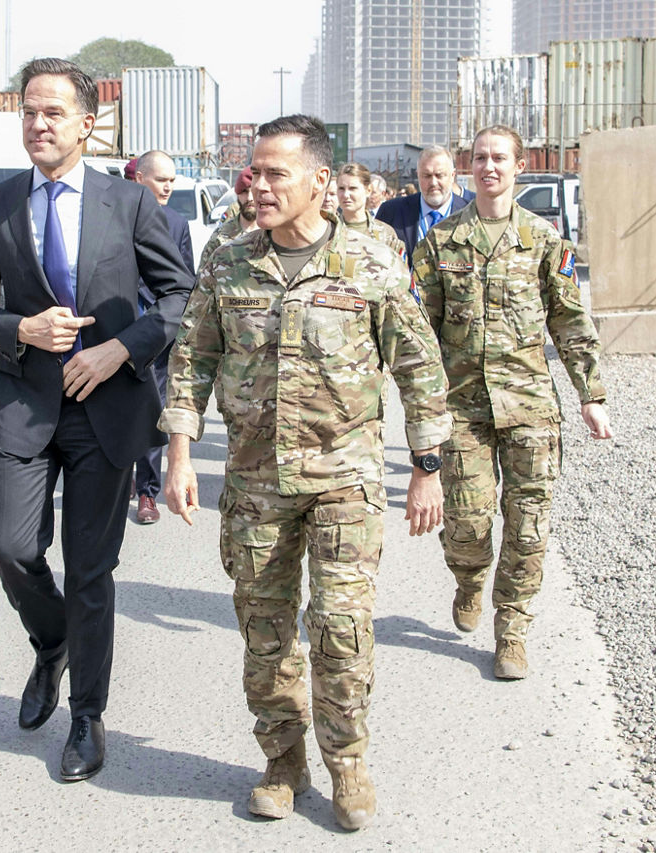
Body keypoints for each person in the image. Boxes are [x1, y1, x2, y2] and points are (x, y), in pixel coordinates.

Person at [160, 114, 451, 831]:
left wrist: (427, 467)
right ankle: (282, 759)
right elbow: (191, 361)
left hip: (344, 482)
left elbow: (419, 369)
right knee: (265, 632)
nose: (258, 185)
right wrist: (176, 454)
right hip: (257, 485)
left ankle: (347, 759)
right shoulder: (228, 263)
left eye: (275, 173)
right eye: (254, 173)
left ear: (321, 182)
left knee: (341, 627)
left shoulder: (373, 264)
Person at [0, 57, 194, 782]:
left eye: (53, 112)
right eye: (29, 111)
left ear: (88, 125)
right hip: (26, 403)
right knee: (10, 547)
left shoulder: (129, 204)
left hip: (107, 410)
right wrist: (19, 330)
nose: (37, 124)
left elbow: (178, 296)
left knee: (91, 570)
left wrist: (120, 349)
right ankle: (51, 641)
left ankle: (87, 714)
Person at [410, 124, 613, 681]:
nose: (489, 167)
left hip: (530, 408)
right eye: (479, 158)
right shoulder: (440, 242)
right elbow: (416, 332)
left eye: (499, 158)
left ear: (519, 167)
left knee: (527, 529)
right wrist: (416, 409)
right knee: (468, 528)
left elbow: (571, 321)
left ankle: (513, 631)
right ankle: (470, 579)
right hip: (464, 411)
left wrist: (590, 395)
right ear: (468, 166)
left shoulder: (544, 241)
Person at [132, 150, 196, 524]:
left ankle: (147, 492)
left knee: (154, 412)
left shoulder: (176, 224)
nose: (169, 186)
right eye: (161, 179)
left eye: (172, 180)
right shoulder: (115, 218)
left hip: (157, 333)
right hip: (118, 329)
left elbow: (184, 283)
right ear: (140, 179)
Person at [377, 145, 474, 260]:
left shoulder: (470, 213)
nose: (433, 182)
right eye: (427, 176)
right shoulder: (392, 211)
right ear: (418, 175)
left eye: (439, 175)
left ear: (452, 176)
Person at [335, 162, 403, 257]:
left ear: (368, 190)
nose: (346, 195)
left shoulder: (385, 234)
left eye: (352, 188)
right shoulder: (328, 231)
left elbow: (399, 269)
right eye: (341, 188)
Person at [198, 166, 258, 270]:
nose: (249, 198)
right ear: (237, 195)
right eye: (244, 192)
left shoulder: (276, 234)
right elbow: (202, 276)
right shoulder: (221, 237)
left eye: (253, 191)